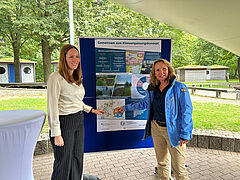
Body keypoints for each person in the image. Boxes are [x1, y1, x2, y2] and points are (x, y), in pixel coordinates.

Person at [118, 59, 193, 180]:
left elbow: (187, 111)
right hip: (156, 128)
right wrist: (126, 108)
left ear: (169, 70)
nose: (161, 72)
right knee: (162, 163)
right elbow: (144, 103)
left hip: (173, 131)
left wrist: (185, 133)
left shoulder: (179, 87)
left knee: (179, 167)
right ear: (154, 73)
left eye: (164, 69)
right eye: (157, 70)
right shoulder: (152, 88)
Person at [47, 44, 104, 180]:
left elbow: (76, 101)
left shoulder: (76, 78)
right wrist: (57, 134)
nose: (75, 59)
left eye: (77, 56)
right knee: (63, 162)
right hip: (64, 122)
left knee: (77, 158)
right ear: (63, 58)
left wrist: (90, 109)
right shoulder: (55, 78)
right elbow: (52, 106)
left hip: (78, 120)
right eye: (71, 56)